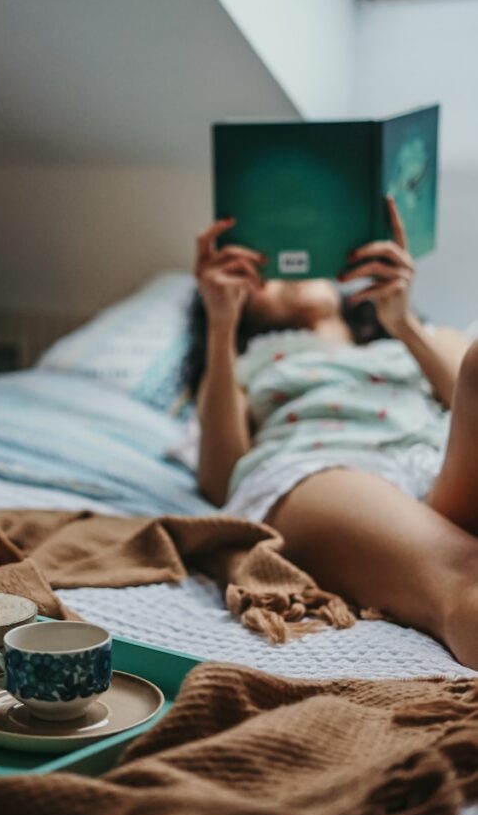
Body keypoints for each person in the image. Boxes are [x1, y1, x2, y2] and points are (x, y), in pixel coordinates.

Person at [187, 196, 478, 669]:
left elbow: (463, 398)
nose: (293, 272)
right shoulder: (243, 364)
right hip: (329, 470)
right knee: (465, 573)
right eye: (271, 268)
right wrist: (222, 325)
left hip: (440, 462)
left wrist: (403, 323)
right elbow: (220, 479)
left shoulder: (415, 338)